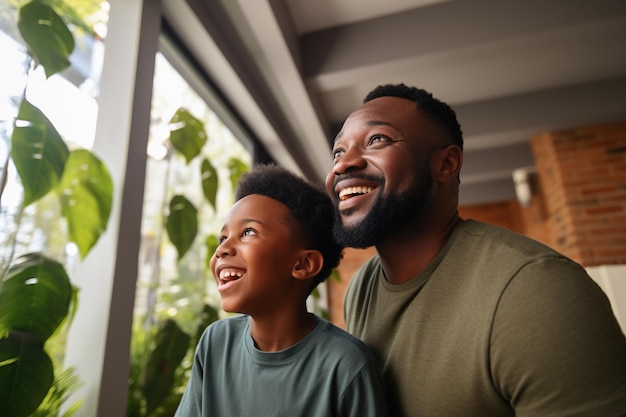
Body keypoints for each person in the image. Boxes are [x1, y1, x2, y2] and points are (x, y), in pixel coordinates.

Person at [325, 83, 626, 417]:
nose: (343, 165)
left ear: (446, 163)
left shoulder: (536, 290)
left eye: (376, 140)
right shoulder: (361, 288)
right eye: (338, 152)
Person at [174, 163, 388, 417]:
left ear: (303, 264)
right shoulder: (215, 343)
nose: (222, 250)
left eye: (248, 232)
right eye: (223, 238)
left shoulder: (347, 365)